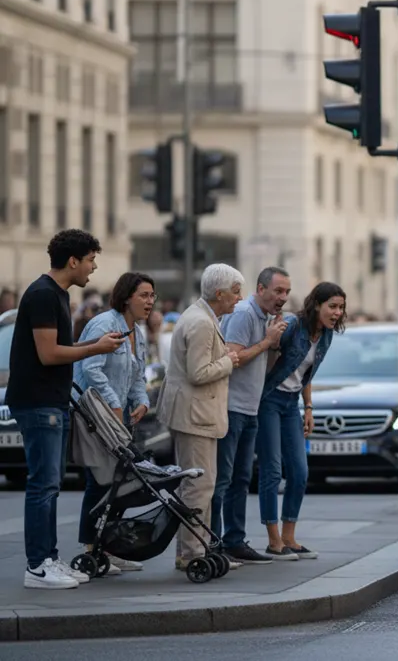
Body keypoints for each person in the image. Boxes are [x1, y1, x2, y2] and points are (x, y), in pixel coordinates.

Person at [8, 230, 123, 589]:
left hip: (51, 400)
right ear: (73, 261)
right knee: (43, 485)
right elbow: (48, 353)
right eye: (90, 260)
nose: (94, 267)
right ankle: (37, 566)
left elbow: (58, 348)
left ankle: (49, 558)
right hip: (39, 401)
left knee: (51, 484)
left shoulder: (56, 294)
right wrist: (95, 348)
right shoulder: (43, 294)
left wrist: (94, 344)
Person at [157, 264, 244, 573]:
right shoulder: (202, 323)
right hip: (195, 416)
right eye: (236, 292)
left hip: (196, 414)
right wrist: (229, 361)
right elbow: (198, 373)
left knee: (199, 485)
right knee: (198, 487)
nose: (239, 298)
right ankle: (193, 553)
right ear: (219, 294)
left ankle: (194, 549)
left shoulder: (201, 316)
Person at [73, 272, 159, 574]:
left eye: (152, 295)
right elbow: (90, 368)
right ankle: (91, 549)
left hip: (118, 419)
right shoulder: (104, 324)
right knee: (100, 482)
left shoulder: (138, 332)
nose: (150, 301)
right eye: (144, 295)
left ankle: (108, 547)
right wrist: (113, 402)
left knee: (120, 482)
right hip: (96, 416)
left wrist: (142, 402)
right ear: (126, 297)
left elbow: (138, 376)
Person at [257, 282, 346, 559]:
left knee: (299, 471)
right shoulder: (293, 326)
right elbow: (266, 359)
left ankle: (289, 537)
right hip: (268, 400)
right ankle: (274, 541)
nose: (337, 313)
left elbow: (306, 373)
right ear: (316, 305)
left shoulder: (326, 335)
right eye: (332, 306)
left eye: (341, 308)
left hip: (291, 404)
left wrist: (308, 407)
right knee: (272, 471)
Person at [210, 267, 290, 566]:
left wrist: (274, 346)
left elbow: (260, 365)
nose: (283, 297)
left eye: (287, 292)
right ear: (260, 289)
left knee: (241, 479)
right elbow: (233, 358)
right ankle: (213, 542)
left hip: (249, 408)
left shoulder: (267, 319)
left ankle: (234, 540)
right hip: (231, 407)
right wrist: (267, 342)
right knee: (223, 479)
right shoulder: (244, 314)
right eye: (278, 291)